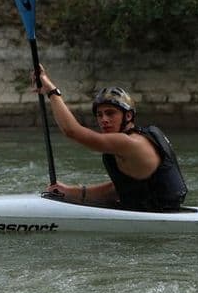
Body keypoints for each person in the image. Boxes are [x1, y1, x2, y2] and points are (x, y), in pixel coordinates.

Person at [31, 64, 188, 211]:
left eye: (110, 113)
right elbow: (117, 190)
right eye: (99, 115)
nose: (103, 119)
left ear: (128, 116)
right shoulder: (133, 143)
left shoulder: (130, 142)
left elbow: (72, 131)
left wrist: (51, 90)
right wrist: (68, 191)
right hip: (157, 212)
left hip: (158, 219)